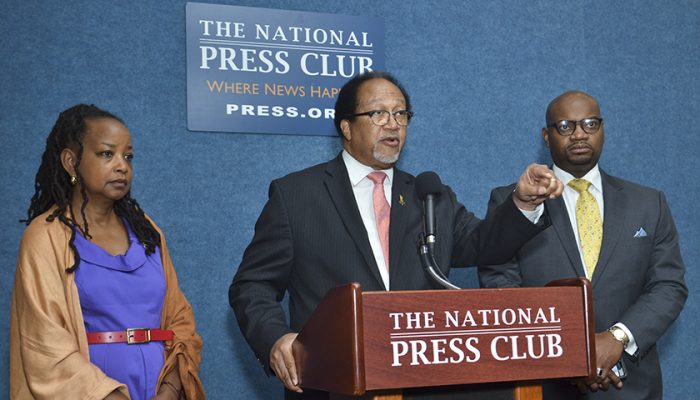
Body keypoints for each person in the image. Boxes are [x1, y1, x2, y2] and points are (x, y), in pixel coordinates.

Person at [229, 71, 564, 399]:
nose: (393, 124)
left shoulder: (428, 194)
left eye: (401, 114)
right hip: (332, 384)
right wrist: (276, 340)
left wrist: (522, 202)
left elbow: (484, 244)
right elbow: (252, 284)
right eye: (378, 113)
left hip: (423, 383)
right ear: (346, 126)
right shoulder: (296, 195)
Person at [478, 90, 687, 399]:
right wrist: (571, 356)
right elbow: (501, 288)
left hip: (631, 386)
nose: (578, 134)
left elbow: (668, 286)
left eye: (590, 124)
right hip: (546, 384)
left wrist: (616, 339)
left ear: (602, 130)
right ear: (547, 137)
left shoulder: (648, 203)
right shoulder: (514, 202)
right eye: (565, 126)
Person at [10, 104, 205, 399]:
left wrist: (171, 388)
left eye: (128, 156)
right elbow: (45, 344)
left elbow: (180, 321)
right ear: (70, 161)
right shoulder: (45, 238)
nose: (122, 166)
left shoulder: (148, 233)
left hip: (161, 390)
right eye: (106, 154)